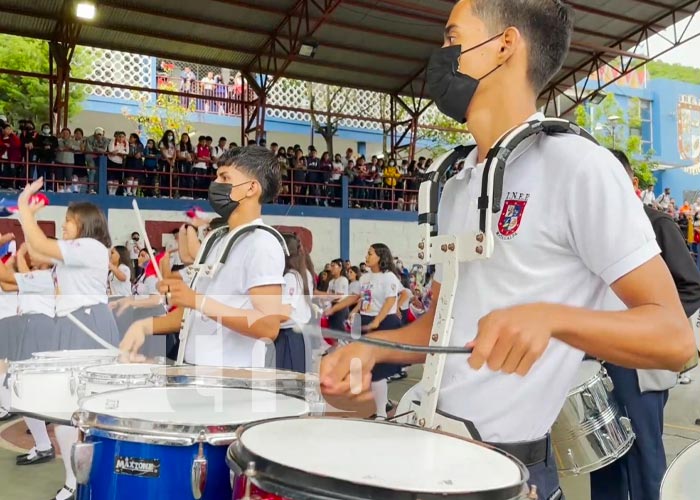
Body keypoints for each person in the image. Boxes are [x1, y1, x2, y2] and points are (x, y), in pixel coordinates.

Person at [319, 1, 695, 497]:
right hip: (424, 452)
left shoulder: (579, 166)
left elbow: (674, 339)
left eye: (453, 40)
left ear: (505, 44)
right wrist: (373, 350)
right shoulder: (454, 181)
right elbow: (441, 323)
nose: (442, 55)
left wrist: (552, 318)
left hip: (507, 474)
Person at [589, 151, 700, 500]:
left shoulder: (655, 223)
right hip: (595, 360)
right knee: (603, 462)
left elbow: (691, 285)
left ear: (632, 183)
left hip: (638, 364)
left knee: (644, 461)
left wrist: (651, 327)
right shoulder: (590, 229)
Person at [119, 147, 287, 367]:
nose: (216, 183)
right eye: (217, 176)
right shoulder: (217, 240)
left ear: (251, 188)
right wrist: (145, 325)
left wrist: (198, 300)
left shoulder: (261, 243)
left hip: (233, 381)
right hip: (196, 371)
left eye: (225, 177)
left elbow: (268, 325)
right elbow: (196, 313)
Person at [17, 180, 119, 500]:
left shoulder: (91, 248)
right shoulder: (74, 255)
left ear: (86, 223)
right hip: (71, 324)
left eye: (69, 220)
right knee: (65, 409)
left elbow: (41, 246)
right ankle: (74, 479)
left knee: (84, 407)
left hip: (86, 324)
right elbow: (36, 249)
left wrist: (24, 210)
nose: (64, 225)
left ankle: (85, 480)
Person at [277, 233, 312, 373]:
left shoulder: (291, 277)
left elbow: (284, 313)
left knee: (286, 381)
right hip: (299, 334)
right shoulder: (304, 273)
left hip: (290, 335)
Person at [321, 259, 350, 332]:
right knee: (332, 330)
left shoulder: (343, 280)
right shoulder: (331, 281)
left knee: (340, 331)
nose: (331, 268)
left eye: (333, 266)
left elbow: (338, 296)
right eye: (331, 266)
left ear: (340, 268)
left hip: (341, 308)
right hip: (332, 307)